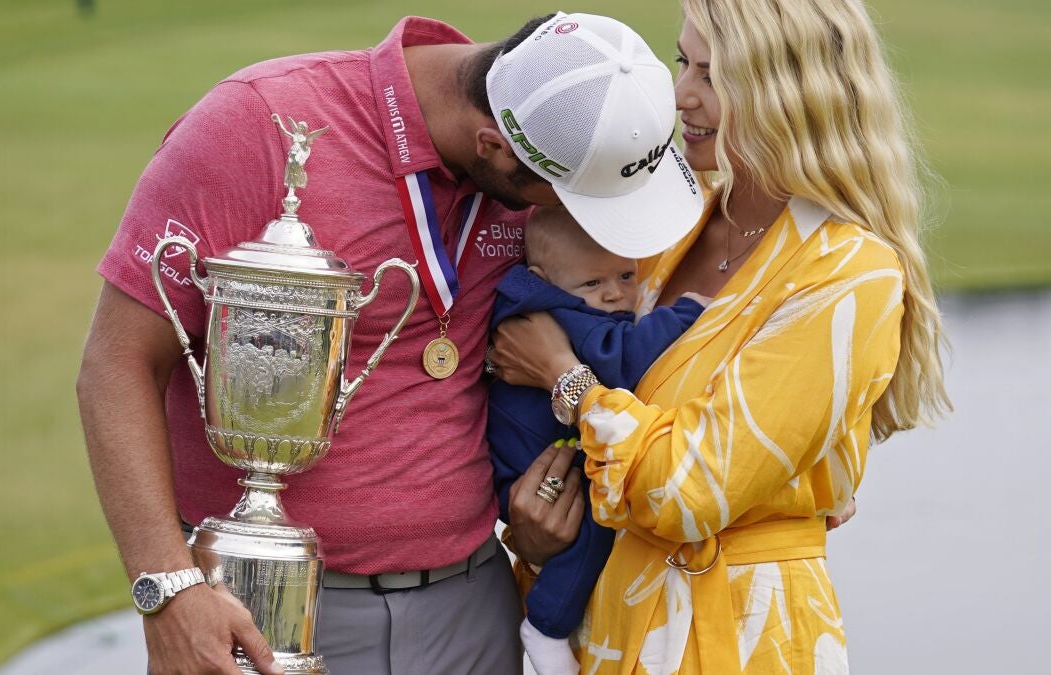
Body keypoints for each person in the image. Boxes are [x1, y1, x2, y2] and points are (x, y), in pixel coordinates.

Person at [76, 11, 702, 675]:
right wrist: (168, 587)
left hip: (476, 602)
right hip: (272, 609)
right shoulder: (258, 124)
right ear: (493, 146)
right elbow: (117, 362)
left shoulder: (548, 146)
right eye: (575, 199)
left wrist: (537, 522)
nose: (585, 220)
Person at [489, 0, 952, 672]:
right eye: (683, 62)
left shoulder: (848, 272)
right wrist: (537, 532)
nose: (680, 94)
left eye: (712, 75)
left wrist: (565, 377)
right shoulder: (666, 226)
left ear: (789, 92)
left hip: (737, 634)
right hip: (601, 624)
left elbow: (686, 490)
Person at [486, 205, 708, 674]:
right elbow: (619, 360)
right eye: (593, 282)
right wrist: (686, 313)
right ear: (543, 277)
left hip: (531, 454)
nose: (614, 294)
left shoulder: (548, 297)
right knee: (596, 525)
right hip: (534, 465)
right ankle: (546, 625)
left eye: (626, 275)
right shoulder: (561, 313)